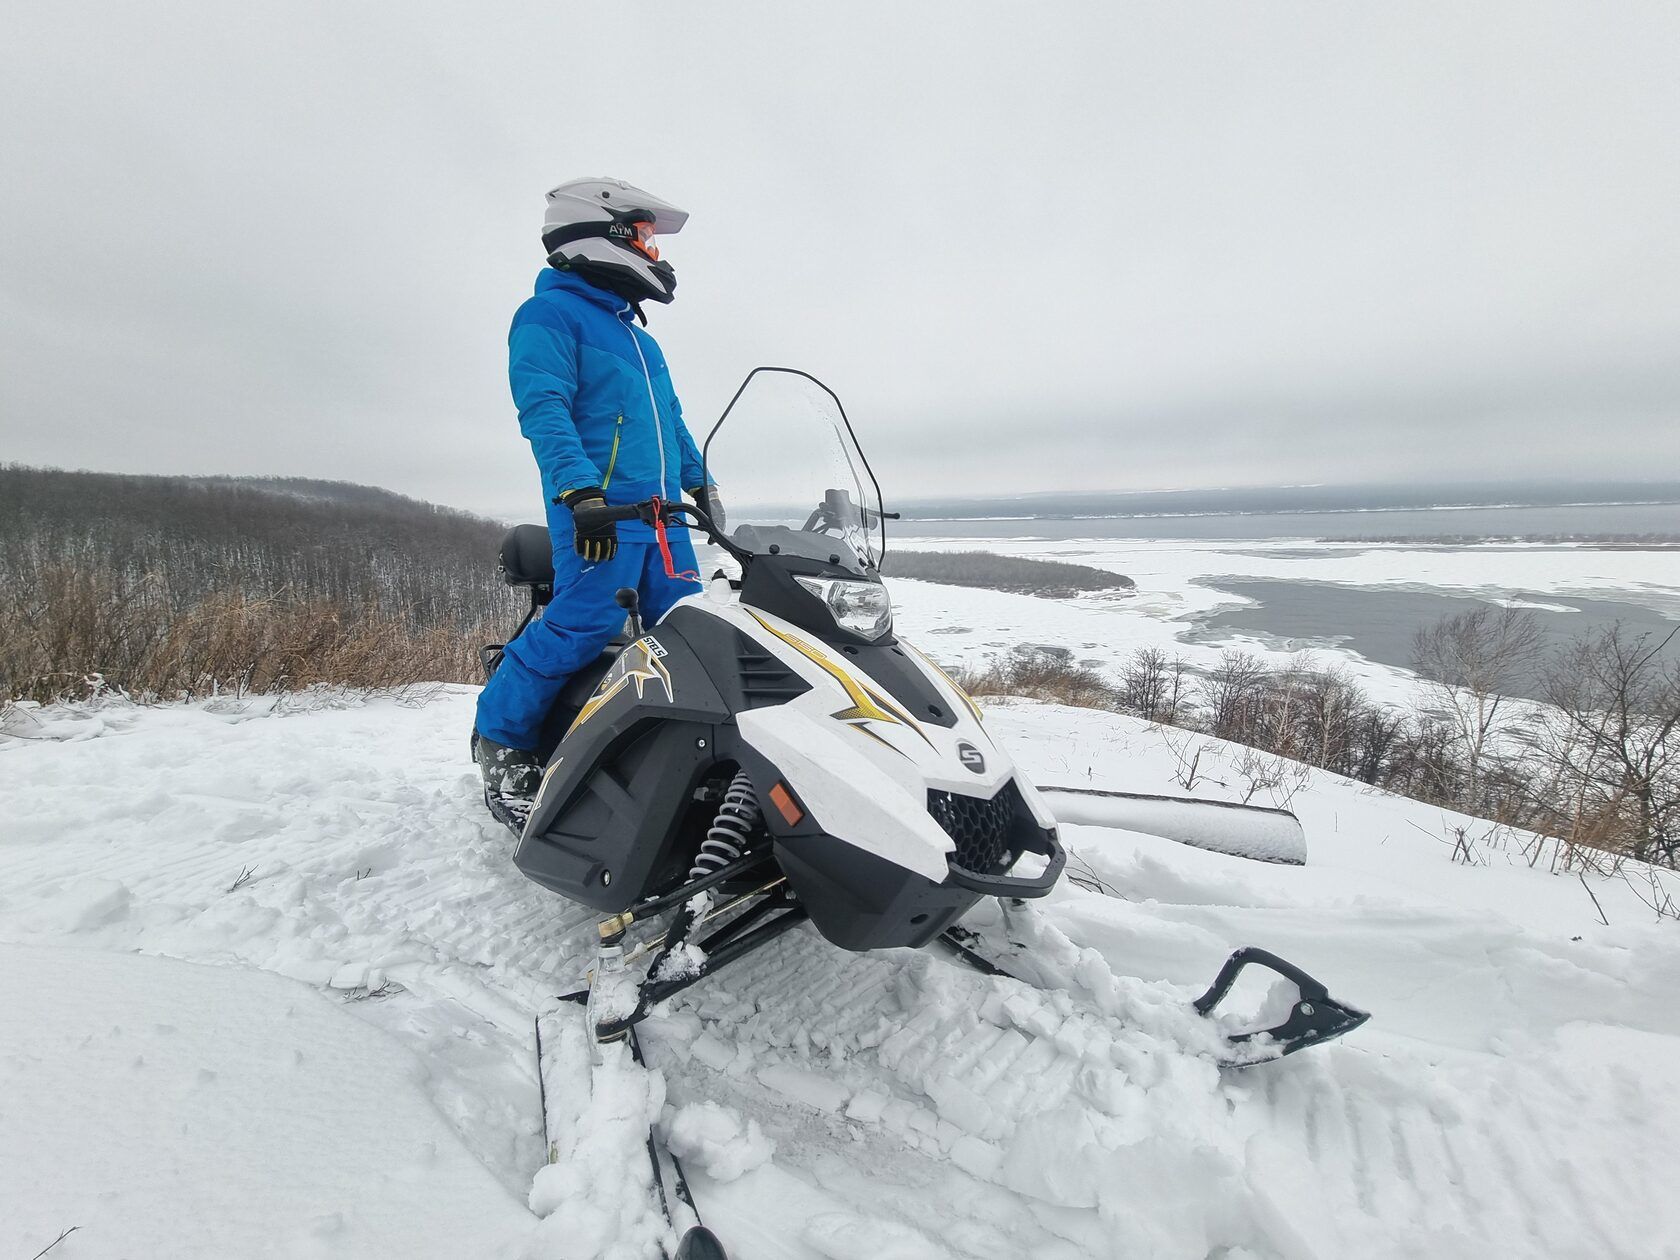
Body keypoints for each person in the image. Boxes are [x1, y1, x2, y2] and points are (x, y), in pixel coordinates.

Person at [474, 177, 723, 806]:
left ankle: (678, 759)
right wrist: (578, 490)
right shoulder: (548, 315)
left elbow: (673, 421)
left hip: (665, 518)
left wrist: (700, 482)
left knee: (689, 632)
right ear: (599, 233)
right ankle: (500, 739)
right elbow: (544, 406)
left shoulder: (642, 340)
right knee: (583, 625)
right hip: (600, 511)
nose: (653, 253)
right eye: (643, 237)